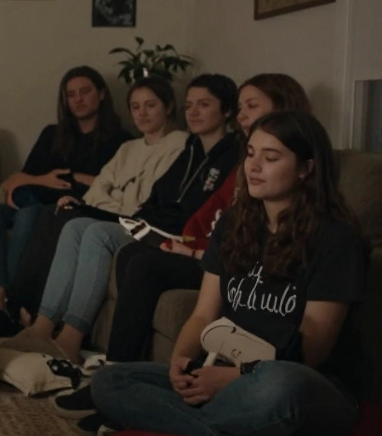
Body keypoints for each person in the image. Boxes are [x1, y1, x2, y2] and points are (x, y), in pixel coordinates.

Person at [90, 111, 368, 436]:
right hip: (226, 375)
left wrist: (233, 379)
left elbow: (312, 350)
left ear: (306, 169)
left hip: (303, 385)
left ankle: (169, 427)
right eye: (250, 153)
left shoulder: (336, 239)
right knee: (110, 381)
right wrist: (182, 363)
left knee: (279, 385)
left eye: (270, 158)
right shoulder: (236, 224)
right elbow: (204, 314)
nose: (253, 166)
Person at [21, 74, 241, 364]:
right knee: (74, 224)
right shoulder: (192, 150)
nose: (194, 112)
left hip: (175, 236)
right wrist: (132, 221)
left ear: (226, 111)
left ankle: (71, 337)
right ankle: (42, 327)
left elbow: (195, 215)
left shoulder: (228, 154)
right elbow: (154, 200)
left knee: (97, 233)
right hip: (149, 224)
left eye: (204, 105)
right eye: (190, 105)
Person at [100, 74, 312, 364]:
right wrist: (189, 244)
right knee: (133, 253)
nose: (242, 115)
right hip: (214, 254)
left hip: (234, 270)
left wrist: (198, 251)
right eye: (251, 155)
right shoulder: (240, 174)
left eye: (251, 105)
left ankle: (120, 366)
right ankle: (120, 368)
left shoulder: (319, 223)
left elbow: (308, 350)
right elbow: (209, 218)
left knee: (144, 263)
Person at [1, 76, 187, 326]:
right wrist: (106, 203)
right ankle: (22, 307)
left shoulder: (179, 144)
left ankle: (21, 308)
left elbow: (143, 200)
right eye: (135, 107)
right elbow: (98, 189)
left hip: (131, 219)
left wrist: (109, 204)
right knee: (55, 212)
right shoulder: (129, 148)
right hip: (105, 210)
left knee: (68, 216)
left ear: (168, 106)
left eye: (150, 105)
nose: (141, 113)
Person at [0, 66, 131, 326]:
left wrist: (75, 178)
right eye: (71, 94)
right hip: (35, 197)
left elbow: (114, 186)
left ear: (102, 94)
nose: (78, 99)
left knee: (28, 215)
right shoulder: (53, 133)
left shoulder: (120, 140)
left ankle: (14, 303)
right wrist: (44, 179)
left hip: (64, 209)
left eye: (85, 92)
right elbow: (17, 179)